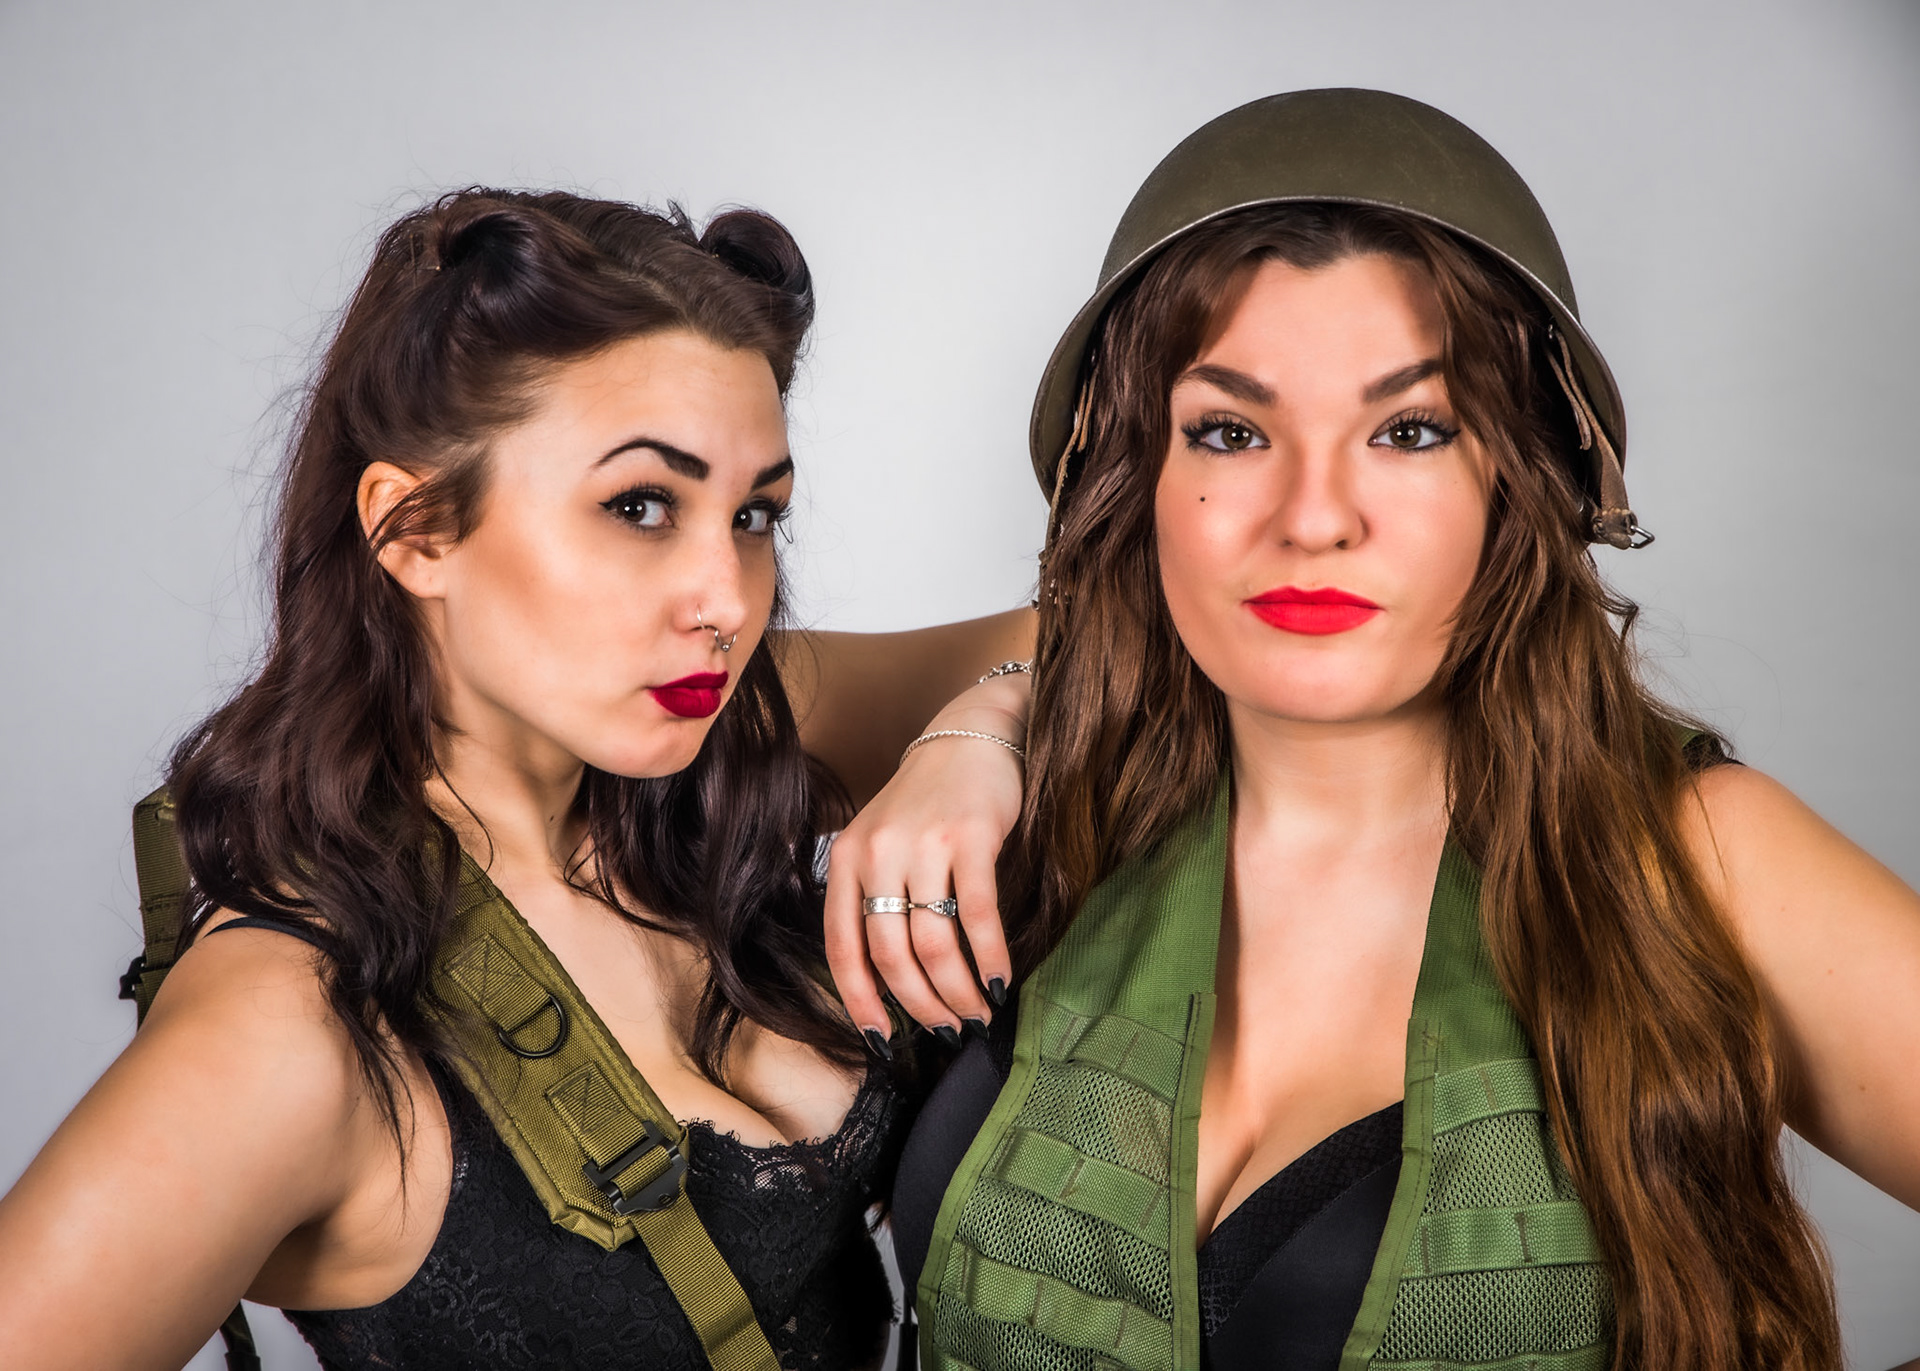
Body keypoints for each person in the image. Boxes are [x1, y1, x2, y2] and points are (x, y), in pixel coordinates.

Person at [825, 90, 1920, 1371]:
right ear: (1134, 475)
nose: (1313, 516)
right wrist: (979, 723)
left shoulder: (1695, 856)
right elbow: (681, 675)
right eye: (1230, 432)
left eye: (1408, 431)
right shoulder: (1065, 769)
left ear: (1523, 477)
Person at [0, 188, 1030, 1371]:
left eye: (754, 514)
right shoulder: (287, 1025)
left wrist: (976, 733)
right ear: (416, 531)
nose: (726, 601)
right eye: (641, 506)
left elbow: (1107, 645)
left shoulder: (713, 732)